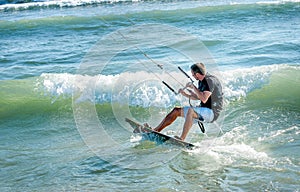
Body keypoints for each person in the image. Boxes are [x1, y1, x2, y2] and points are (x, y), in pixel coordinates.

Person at [153, 63, 223, 141]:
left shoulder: (210, 81)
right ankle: (156, 130)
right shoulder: (201, 81)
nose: (192, 76)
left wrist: (193, 87)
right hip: (203, 110)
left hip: (212, 113)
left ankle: (181, 139)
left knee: (191, 111)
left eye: (193, 74)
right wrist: (186, 94)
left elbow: (203, 99)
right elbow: (198, 97)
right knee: (176, 111)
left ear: (197, 74)